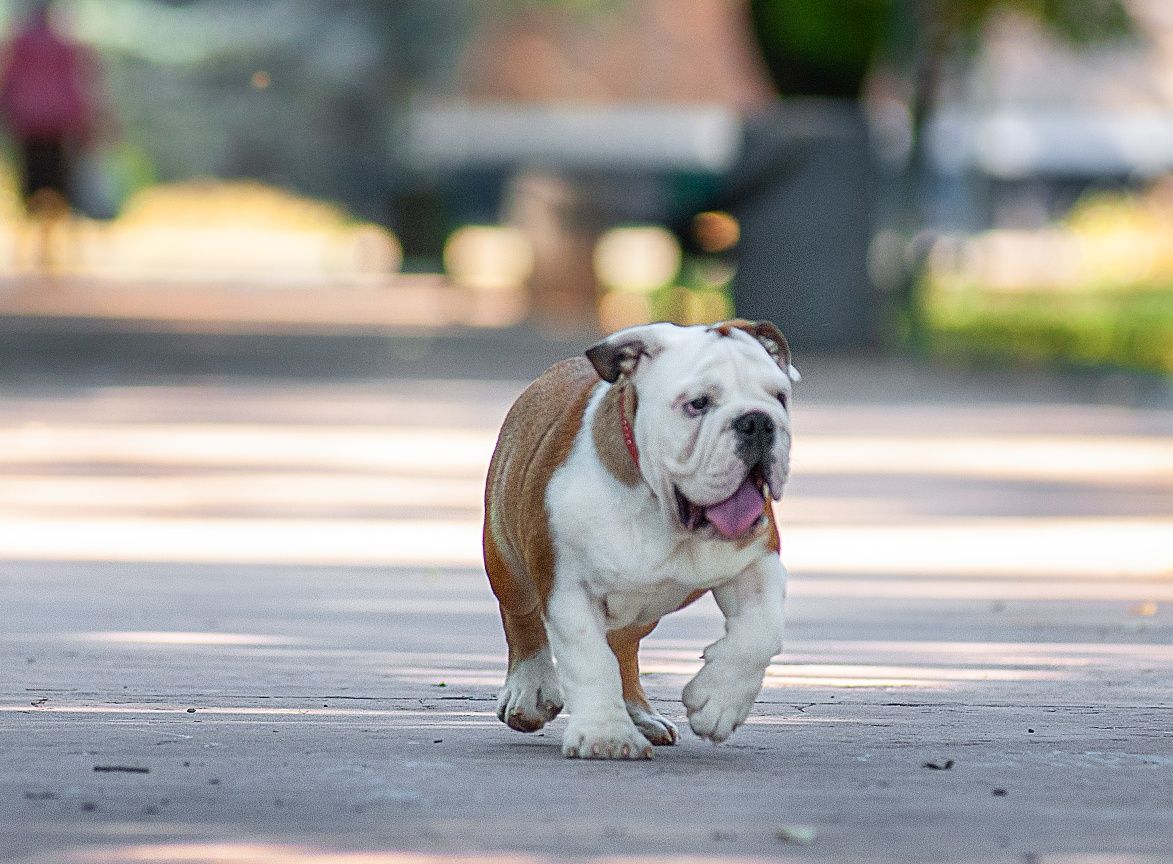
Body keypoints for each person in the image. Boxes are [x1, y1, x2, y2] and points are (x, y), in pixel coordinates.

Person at [0, 0, 98, 217]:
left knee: (33, 181)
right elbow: (75, 84)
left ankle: (35, 236)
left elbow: (9, 80)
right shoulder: (63, 43)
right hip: (56, 122)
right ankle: (50, 235)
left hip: (29, 120)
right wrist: (83, 119)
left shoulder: (22, 42)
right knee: (57, 183)